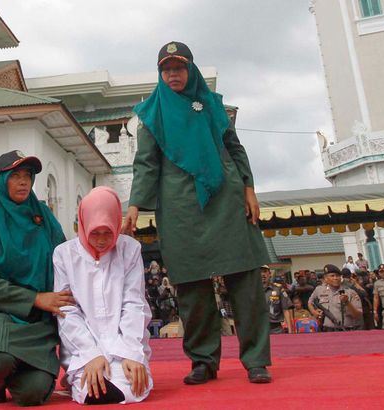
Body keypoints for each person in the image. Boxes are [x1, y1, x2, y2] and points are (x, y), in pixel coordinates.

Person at [122, 41, 271, 384]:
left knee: (245, 281)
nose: (173, 73)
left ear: (191, 69)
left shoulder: (212, 104)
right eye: (166, 68)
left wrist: (248, 188)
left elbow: (234, 147)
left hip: (226, 200)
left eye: (179, 67)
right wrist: (133, 205)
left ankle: (256, 360)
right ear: (160, 73)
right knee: (192, 287)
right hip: (179, 208)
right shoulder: (151, 113)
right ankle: (204, 361)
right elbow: (145, 164)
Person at [0, 150, 71, 406]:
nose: (23, 182)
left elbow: (66, 259)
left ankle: (14, 373)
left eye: (28, 176)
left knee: (33, 394)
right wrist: (34, 298)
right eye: (15, 176)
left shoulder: (43, 216)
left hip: (36, 322)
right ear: (1, 181)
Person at [54, 187, 153, 404]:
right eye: (94, 233)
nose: (101, 241)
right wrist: (91, 353)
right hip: (84, 347)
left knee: (131, 386)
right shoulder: (64, 254)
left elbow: (134, 303)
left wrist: (130, 352)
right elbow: (67, 310)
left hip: (124, 342)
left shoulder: (129, 249)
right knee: (91, 387)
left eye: (108, 232)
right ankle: (79, 376)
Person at [308, 265, 363, 331]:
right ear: (325, 278)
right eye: (332, 276)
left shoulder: (350, 292)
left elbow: (358, 315)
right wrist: (314, 312)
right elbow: (310, 302)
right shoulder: (319, 290)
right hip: (327, 330)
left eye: (338, 276)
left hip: (346, 330)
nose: (336, 278)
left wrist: (347, 303)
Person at [261, 266, 293, 334]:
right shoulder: (251, 291)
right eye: (260, 272)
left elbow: (286, 310)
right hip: (258, 330)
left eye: (265, 271)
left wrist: (290, 332)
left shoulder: (278, 288)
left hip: (275, 329)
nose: (262, 274)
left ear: (270, 274)